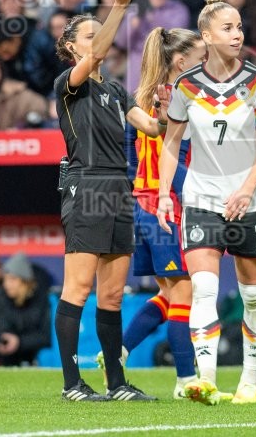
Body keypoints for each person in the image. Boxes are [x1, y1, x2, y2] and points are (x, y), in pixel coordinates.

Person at [157, 0, 256, 406]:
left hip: (252, 198)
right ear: (206, 35)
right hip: (202, 196)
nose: (237, 34)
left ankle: (248, 378)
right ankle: (205, 380)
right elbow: (171, 143)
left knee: (253, 296)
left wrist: (246, 190)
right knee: (204, 288)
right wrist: (163, 194)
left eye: (240, 27)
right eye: (228, 28)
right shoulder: (184, 87)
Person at [53, 0, 167, 402]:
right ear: (72, 48)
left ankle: (117, 384)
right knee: (77, 288)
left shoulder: (117, 90)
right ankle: (70, 383)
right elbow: (102, 49)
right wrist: (118, 8)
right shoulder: (69, 83)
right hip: (86, 185)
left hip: (121, 187)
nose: (97, 41)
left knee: (114, 294)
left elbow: (152, 127)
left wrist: (174, 110)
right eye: (89, 34)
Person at [113, 26, 207, 398]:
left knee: (168, 295)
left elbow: (131, 154)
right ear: (181, 61)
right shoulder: (178, 99)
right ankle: (186, 379)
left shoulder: (144, 98)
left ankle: (116, 351)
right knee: (185, 292)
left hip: (144, 206)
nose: (206, 63)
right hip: (166, 206)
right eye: (201, 58)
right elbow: (175, 156)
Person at [0, 253, 53, 367]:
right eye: (5, 280)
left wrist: (19, 342)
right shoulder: (5, 300)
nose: (7, 285)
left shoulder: (44, 301)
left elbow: (47, 336)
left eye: (12, 279)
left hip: (39, 359)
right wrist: (2, 341)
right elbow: (2, 329)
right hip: (13, 358)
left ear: (25, 281)